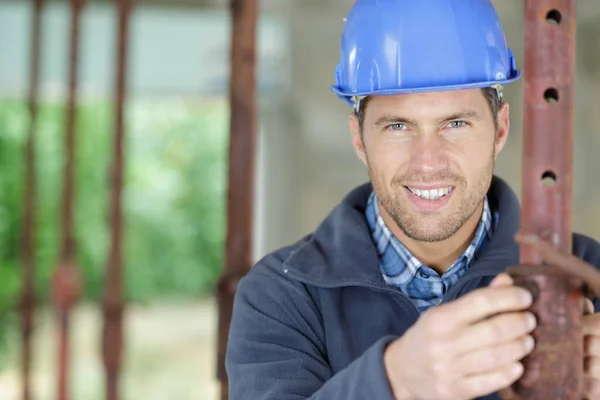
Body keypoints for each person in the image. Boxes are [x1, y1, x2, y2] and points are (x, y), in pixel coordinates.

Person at [225, 1, 600, 399]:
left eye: (455, 124)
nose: (428, 161)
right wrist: (393, 382)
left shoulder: (587, 272)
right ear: (359, 138)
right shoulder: (282, 295)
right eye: (398, 126)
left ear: (500, 129)